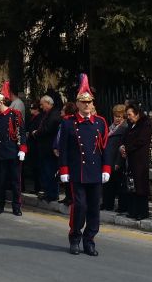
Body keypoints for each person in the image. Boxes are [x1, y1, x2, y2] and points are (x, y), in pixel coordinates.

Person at [58, 74, 109, 256]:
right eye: (83, 102)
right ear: (77, 103)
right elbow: (62, 148)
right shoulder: (68, 123)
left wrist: (106, 168)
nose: (87, 105)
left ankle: (90, 240)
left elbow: (105, 148)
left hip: (95, 171)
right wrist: (63, 169)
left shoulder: (100, 122)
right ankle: (75, 237)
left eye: (89, 102)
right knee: (80, 206)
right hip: (77, 172)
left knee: (94, 208)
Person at [0, 81, 26, 216]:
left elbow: (21, 132)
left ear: (1, 103)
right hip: (0, 154)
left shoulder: (15, 114)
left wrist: (22, 149)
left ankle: (16, 206)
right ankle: (0, 204)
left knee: (15, 181)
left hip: (13, 152)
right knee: (0, 181)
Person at [121, 101, 152, 220]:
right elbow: (125, 138)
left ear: (137, 114)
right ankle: (133, 210)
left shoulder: (145, 123)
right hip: (131, 159)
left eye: (130, 115)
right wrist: (123, 147)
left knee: (141, 186)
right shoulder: (130, 125)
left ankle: (143, 211)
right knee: (132, 186)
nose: (128, 117)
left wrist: (127, 148)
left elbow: (141, 140)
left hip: (140, 160)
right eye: (127, 115)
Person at [32, 95, 61, 202]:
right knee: (46, 171)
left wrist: (36, 132)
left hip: (49, 149)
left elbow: (47, 129)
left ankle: (52, 194)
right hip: (45, 148)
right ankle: (48, 192)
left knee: (50, 172)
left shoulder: (54, 114)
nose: (41, 106)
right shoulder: (48, 114)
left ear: (48, 103)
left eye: (42, 104)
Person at [102, 104, 129, 214]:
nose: (117, 119)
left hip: (117, 159)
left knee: (120, 184)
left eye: (120, 116)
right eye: (115, 116)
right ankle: (107, 204)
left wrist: (118, 162)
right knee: (109, 183)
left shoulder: (124, 128)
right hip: (109, 159)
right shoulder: (111, 127)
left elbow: (122, 145)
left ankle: (122, 206)